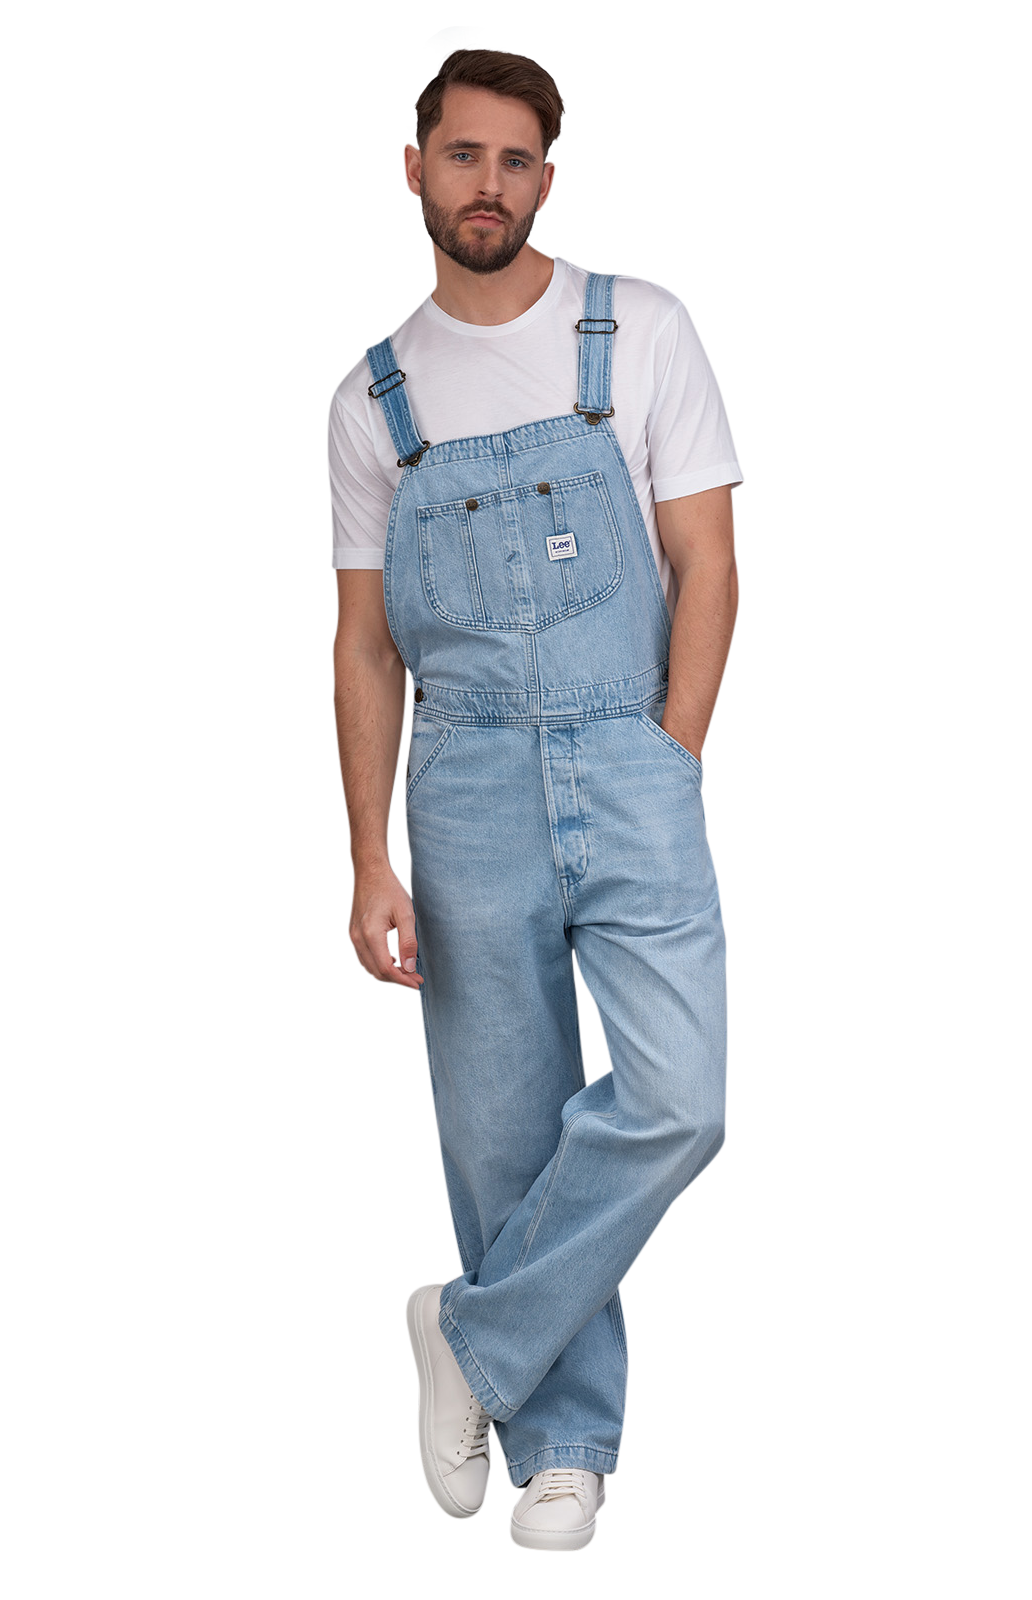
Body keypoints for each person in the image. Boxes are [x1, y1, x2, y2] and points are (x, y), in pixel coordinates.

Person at [329, 45, 743, 1553]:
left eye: (516, 161)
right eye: (463, 155)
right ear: (415, 168)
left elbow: (708, 560)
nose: (489, 184)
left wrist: (669, 753)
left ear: (548, 178)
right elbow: (364, 644)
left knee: (681, 1096)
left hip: (627, 752)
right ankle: (565, 1443)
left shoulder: (638, 331)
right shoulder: (376, 396)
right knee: (501, 1127)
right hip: (467, 785)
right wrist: (369, 854)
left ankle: (474, 1339)